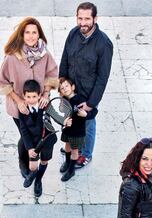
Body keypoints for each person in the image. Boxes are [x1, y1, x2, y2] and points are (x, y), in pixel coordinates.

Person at [0, 16, 59, 178]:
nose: (31, 36)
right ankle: (23, 161)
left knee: (40, 134)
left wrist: (46, 93)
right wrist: (18, 101)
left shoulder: (44, 54)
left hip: (39, 105)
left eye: (34, 32)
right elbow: (2, 83)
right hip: (18, 106)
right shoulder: (12, 57)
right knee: (25, 135)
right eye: (27, 32)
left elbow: (52, 75)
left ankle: (38, 165)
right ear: (22, 35)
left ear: (39, 35)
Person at [59, 2, 113, 168]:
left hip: (89, 94)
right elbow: (65, 59)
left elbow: (103, 77)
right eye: (80, 18)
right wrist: (62, 86)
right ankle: (73, 144)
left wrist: (91, 103)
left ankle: (85, 154)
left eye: (87, 19)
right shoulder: (73, 34)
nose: (83, 23)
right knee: (71, 119)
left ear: (95, 18)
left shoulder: (104, 44)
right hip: (71, 91)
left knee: (88, 123)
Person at [18, 80, 57, 197]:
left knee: (44, 161)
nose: (31, 99)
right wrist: (29, 148)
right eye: (28, 97)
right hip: (34, 143)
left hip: (47, 139)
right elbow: (24, 131)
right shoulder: (22, 110)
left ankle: (38, 180)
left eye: (34, 96)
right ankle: (33, 174)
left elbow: (56, 115)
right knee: (33, 166)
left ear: (39, 95)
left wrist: (65, 120)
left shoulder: (44, 105)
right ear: (24, 96)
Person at [58, 77, 98, 181]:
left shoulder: (80, 100)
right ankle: (67, 162)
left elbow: (94, 112)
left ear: (73, 87)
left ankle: (71, 170)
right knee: (67, 146)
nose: (65, 89)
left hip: (77, 131)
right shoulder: (64, 100)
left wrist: (86, 114)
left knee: (74, 151)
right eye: (62, 88)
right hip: (67, 129)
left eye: (67, 86)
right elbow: (61, 112)